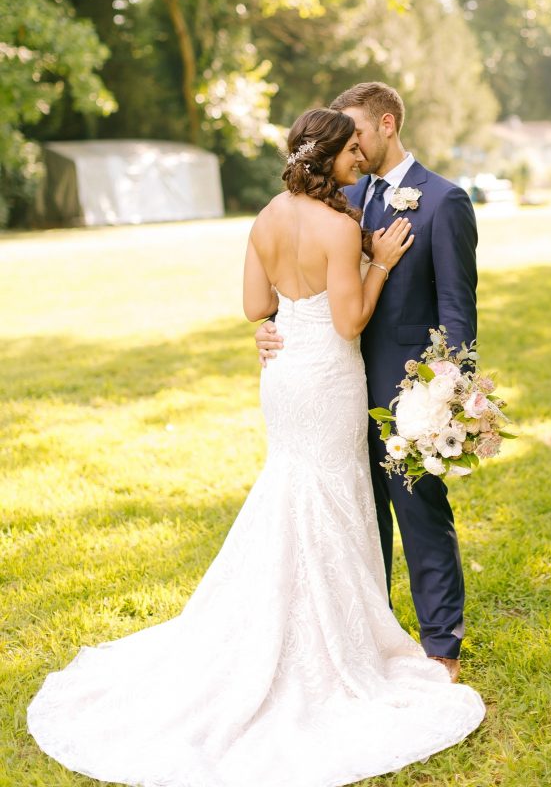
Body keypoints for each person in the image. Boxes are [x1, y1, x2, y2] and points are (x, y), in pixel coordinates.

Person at [27, 107, 484, 787]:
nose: (359, 161)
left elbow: (253, 308)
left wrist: (277, 328)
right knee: (332, 498)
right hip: (329, 375)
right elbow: (350, 317)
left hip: (286, 379)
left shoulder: (265, 216)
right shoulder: (337, 224)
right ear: (332, 156)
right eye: (350, 152)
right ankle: (337, 641)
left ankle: (322, 625)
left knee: (294, 492)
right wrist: (380, 264)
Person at [257, 83, 478, 684]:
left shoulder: (443, 201)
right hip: (335, 390)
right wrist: (274, 330)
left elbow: (458, 312)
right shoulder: (340, 202)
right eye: (342, 140)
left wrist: (449, 392)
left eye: (356, 133)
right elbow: (307, 286)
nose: (350, 146)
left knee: (420, 516)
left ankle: (441, 646)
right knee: (356, 520)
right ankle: (364, 638)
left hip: (408, 397)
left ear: (386, 123)